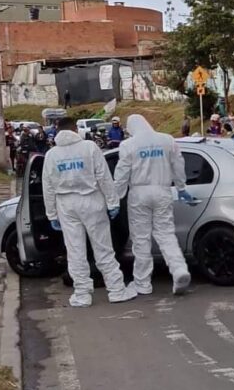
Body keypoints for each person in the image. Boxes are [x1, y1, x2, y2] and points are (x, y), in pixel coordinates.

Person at [42, 117, 137, 307]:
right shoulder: (89, 148)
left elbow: (48, 186)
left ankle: (82, 294)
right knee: (103, 248)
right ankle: (116, 290)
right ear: (75, 128)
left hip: (66, 205)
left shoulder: (51, 155)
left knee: (75, 251)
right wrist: (112, 202)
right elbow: (104, 176)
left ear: (58, 131)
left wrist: (51, 214)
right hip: (92, 201)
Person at [113, 114, 194, 296]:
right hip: (163, 190)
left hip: (139, 194)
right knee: (166, 234)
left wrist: (115, 199)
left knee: (141, 239)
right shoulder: (167, 140)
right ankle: (179, 269)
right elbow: (178, 164)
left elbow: (121, 175)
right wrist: (181, 187)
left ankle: (142, 283)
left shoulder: (128, 145)